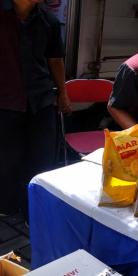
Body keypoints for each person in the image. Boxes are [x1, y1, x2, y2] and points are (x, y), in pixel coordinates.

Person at [0, 0, 70, 216]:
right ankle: (7, 206)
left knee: (42, 158)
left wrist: (63, 93)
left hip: (41, 101)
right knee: (7, 158)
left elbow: (55, 61)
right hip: (5, 102)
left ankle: (35, 210)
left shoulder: (48, 21)